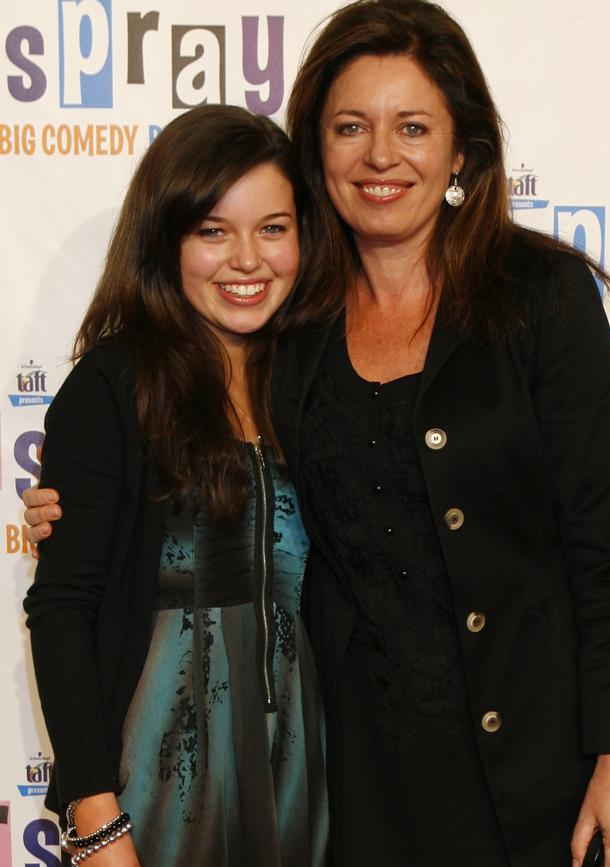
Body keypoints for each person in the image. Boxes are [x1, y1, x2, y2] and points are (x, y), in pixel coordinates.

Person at [24, 1, 610, 865]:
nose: (381, 155)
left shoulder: (539, 298)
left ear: (461, 149)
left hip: (544, 766)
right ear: (318, 148)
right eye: (351, 126)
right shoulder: (295, 326)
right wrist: (76, 507)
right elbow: (186, 490)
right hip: (356, 790)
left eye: (413, 126)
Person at [22, 104, 328, 867]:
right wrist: (96, 817)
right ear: (168, 239)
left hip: (306, 773)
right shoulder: (115, 385)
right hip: (160, 780)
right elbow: (62, 608)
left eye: (274, 228)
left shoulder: (315, 381)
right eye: (213, 231)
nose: (247, 259)